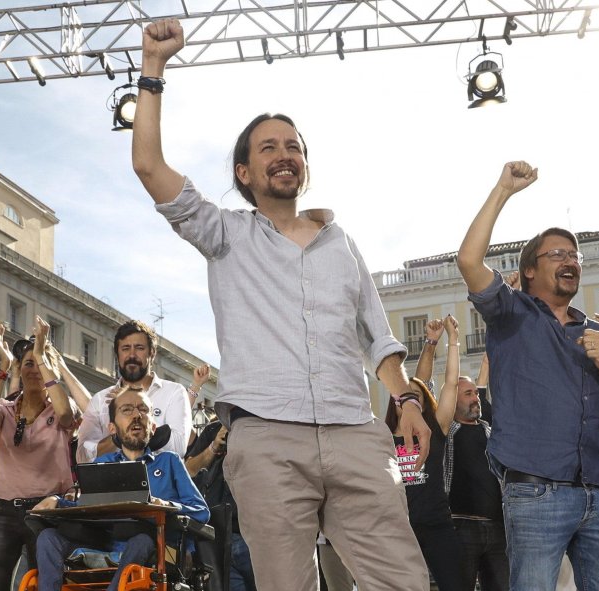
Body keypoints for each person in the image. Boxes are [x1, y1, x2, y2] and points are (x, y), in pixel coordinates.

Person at [131, 18, 431, 591]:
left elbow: (377, 333)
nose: (284, 153)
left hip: (354, 431)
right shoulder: (225, 234)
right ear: (245, 172)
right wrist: (154, 69)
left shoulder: (341, 242)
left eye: (293, 146)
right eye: (268, 147)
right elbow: (148, 166)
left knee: (405, 581)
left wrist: (406, 399)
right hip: (267, 437)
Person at [457, 161, 599, 590]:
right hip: (537, 493)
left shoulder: (598, 333)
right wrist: (503, 190)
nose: (570, 260)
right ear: (530, 270)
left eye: (574, 255)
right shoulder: (511, 312)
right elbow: (468, 259)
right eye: (557, 254)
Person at [33, 388, 209, 591]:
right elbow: (86, 507)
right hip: (105, 541)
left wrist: (166, 505)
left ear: (152, 426)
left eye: (143, 410)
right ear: (112, 428)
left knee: (141, 540)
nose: (136, 415)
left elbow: (201, 511)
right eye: (127, 410)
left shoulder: (170, 462)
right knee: (48, 538)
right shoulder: (102, 464)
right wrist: (57, 500)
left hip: (159, 547)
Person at [0, 318, 79, 591]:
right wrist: (4, 367)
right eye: (28, 364)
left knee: (43, 583)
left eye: (40, 364)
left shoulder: (62, 406)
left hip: (46, 511)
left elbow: (66, 415)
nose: (34, 371)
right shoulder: (6, 409)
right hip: (2, 510)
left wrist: (41, 356)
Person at [385, 316, 463, 591]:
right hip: (399, 531)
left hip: (437, 526)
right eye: (406, 396)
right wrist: (430, 343)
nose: (411, 401)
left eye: (418, 397)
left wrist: (452, 341)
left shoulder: (435, 429)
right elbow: (418, 381)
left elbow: (450, 384)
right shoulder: (381, 438)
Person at [77, 320, 192, 462]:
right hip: (112, 481)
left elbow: (178, 447)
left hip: (158, 482)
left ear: (152, 353)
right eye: (125, 348)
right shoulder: (100, 399)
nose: (132, 355)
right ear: (117, 354)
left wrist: (128, 424)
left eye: (139, 348)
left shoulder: (174, 392)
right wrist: (119, 434)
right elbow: (83, 456)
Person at [444, 374, 509, 591]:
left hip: (498, 529)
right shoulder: (447, 433)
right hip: (461, 527)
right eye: (468, 393)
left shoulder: (491, 432)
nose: (476, 398)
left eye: (476, 393)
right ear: (453, 400)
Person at [185, 419, 256, 591]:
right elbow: (189, 470)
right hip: (220, 537)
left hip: (254, 536)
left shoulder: (261, 425)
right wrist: (213, 447)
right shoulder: (214, 429)